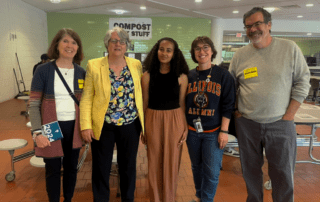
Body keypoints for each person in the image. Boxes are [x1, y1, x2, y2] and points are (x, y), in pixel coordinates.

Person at [229, 7, 311, 202]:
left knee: (282, 174)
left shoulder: (289, 48)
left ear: (269, 25)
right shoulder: (240, 55)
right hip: (247, 124)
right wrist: (235, 111)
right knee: (250, 172)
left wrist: (290, 114)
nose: (253, 29)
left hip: (280, 124)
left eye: (257, 24)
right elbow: (230, 87)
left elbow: (303, 81)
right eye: (248, 26)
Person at [80, 27, 144, 202]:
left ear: (127, 46)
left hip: (131, 124)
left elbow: (140, 95)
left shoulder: (136, 65)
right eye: (114, 41)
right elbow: (86, 98)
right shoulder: (94, 65)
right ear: (107, 44)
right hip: (103, 125)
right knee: (101, 167)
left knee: (128, 166)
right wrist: (86, 125)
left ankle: (127, 199)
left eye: (122, 41)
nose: (118, 44)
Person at [29, 28, 85, 202]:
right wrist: (37, 132)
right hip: (51, 125)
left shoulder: (81, 72)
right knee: (52, 168)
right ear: (57, 45)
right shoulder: (43, 70)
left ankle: (68, 199)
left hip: (74, 126)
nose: (70, 46)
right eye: (65, 41)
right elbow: (34, 103)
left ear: (78, 48)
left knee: (71, 167)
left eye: (74, 42)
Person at [186, 36, 236, 202]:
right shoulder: (189, 76)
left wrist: (224, 131)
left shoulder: (223, 75)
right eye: (198, 48)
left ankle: (207, 200)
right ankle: (200, 197)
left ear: (212, 51)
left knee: (212, 171)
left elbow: (228, 105)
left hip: (213, 133)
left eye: (205, 47)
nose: (202, 51)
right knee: (196, 167)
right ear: (193, 53)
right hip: (192, 132)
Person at [141, 37, 189, 202]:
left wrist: (185, 127)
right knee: (154, 163)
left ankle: (169, 198)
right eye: (162, 49)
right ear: (156, 51)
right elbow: (144, 103)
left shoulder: (182, 77)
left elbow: (182, 104)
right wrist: (143, 128)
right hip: (152, 119)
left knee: (171, 164)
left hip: (175, 120)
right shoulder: (146, 76)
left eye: (169, 50)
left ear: (174, 54)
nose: (165, 53)